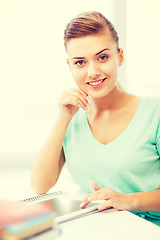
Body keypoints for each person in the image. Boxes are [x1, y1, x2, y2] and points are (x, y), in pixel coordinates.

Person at [31, 11, 160, 226]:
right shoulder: (72, 118)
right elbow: (40, 186)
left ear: (120, 56)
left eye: (102, 57)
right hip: (95, 229)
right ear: (70, 66)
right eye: (80, 62)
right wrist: (63, 118)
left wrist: (129, 200)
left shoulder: (154, 113)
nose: (92, 72)